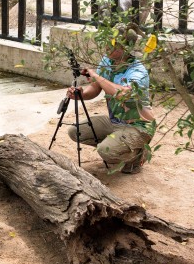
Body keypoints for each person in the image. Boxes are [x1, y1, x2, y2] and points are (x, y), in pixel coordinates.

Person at [66, 26, 156, 174]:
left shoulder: (138, 71)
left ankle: (138, 154)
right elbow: (94, 89)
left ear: (124, 47)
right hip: (115, 122)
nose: (107, 45)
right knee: (75, 131)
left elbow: (122, 94)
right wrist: (79, 94)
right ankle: (120, 145)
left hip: (138, 126)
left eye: (112, 43)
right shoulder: (107, 61)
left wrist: (96, 76)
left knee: (106, 151)